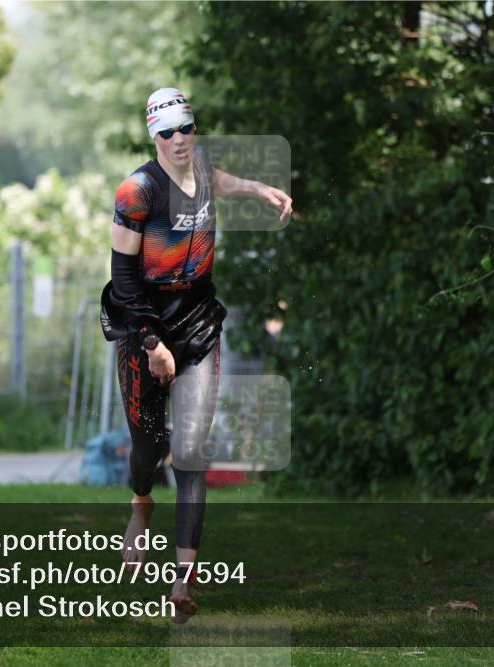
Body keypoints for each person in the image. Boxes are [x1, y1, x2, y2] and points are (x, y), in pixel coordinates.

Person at [99, 87, 294, 623]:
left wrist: (259, 189)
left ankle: (182, 585)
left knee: (189, 451)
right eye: (168, 132)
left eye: (186, 127)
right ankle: (141, 504)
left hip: (200, 326)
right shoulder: (137, 191)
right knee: (147, 448)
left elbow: (221, 183)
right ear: (152, 136)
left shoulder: (201, 168)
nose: (180, 139)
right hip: (145, 325)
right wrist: (152, 344)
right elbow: (122, 280)